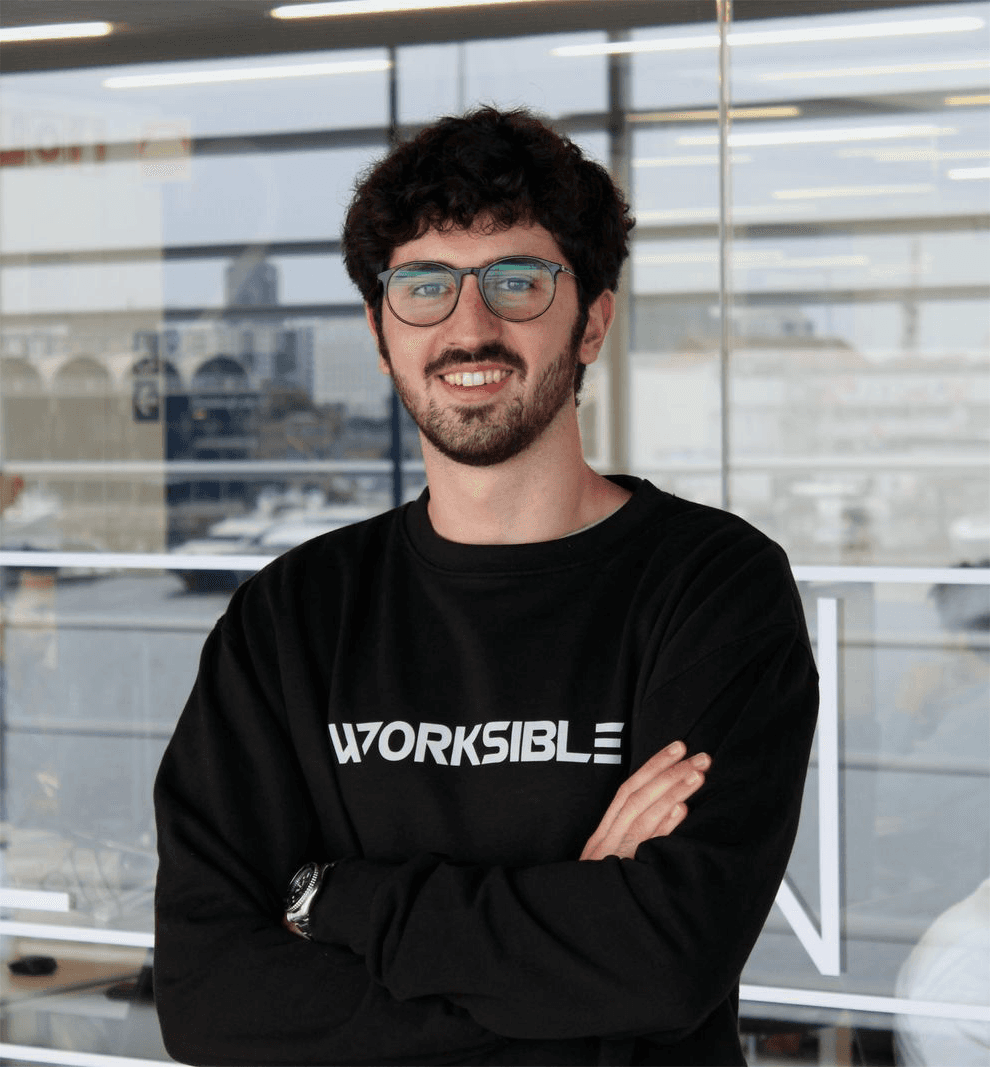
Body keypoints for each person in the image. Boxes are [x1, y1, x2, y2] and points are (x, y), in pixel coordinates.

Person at [153, 106, 819, 1066]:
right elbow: (208, 997)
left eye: (516, 280)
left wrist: (334, 899)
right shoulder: (291, 615)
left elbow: (665, 960)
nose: (470, 327)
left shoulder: (713, 589)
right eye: (424, 285)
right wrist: (563, 955)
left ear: (591, 320)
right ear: (383, 335)